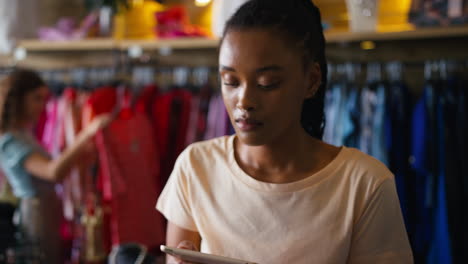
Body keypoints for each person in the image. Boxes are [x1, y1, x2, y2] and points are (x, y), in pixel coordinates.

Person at [156, 0, 413, 263]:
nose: (244, 101)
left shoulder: (364, 183)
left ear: (311, 81)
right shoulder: (195, 167)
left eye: (267, 83)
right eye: (230, 81)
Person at [0, 69, 112, 264]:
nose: (42, 106)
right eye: (36, 98)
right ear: (19, 99)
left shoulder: (23, 134)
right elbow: (52, 172)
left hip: (46, 208)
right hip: (35, 211)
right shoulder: (11, 141)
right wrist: (87, 133)